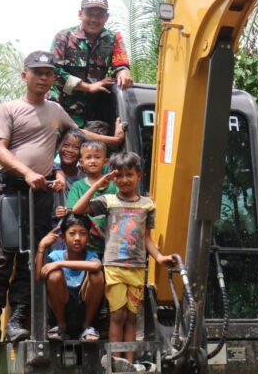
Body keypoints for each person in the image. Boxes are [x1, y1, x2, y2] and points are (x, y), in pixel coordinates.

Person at [0, 51, 124, 350]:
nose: (44, 77)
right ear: (25, 76)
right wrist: (27, 171)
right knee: (2, 258)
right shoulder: (9, 109)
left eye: (48, 73)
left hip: (40, 194)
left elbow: (78, 133)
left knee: (31, 258)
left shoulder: (55, 109)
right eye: (38, 72)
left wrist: (114, 142)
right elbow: (0, 150)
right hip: (10, 190)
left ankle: (18, 321)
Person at [72, 152, 173, 370]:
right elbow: (78, 209)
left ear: (139, 176)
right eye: (119, 176)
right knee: (117, 314)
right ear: (113, 178)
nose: (124, 180)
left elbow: (147, 238)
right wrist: (99, 183)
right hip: (114, 266)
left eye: (130, 174)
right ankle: (114, 361)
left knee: (131, 316)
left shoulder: (147, 205)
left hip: (137, 267)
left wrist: (160, 257)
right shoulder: (108, 201)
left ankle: (130, 362)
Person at [50, 0, 134, 127]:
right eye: (89, 14)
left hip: (94, 116)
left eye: (99, 15)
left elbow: (120, 64)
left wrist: (123, 71)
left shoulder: (113, 39)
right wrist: (88, 87)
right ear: (80, 14)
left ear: (106, 17)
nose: (94, 19)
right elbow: (53, 72)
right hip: (61, 109)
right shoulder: (63, 37)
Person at [36, 214, 104, 342]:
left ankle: (87, 327)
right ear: (63, 236)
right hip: (62, 308)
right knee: (54, 275)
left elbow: (96, 266)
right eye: (72, 233)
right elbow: (39, 276)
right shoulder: (56, 255)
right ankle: (61, 327)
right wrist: (41, 247)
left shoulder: (91, 255)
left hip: (84, 308)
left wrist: (61, 264)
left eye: (82, 233)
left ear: (88, 237)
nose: (77, 238)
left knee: (97, 275)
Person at [66, 141, 118, 257]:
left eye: (97, 157)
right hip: (86, 245)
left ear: (105, 162)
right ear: (81, 162)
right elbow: (71, 210)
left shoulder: (114, 186)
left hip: (113, 243)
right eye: (88, 157)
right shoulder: (78, 186)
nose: (93, 161)